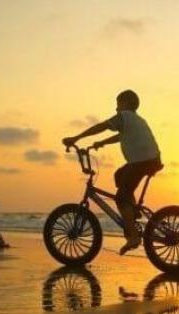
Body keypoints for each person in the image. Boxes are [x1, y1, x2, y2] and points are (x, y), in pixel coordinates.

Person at [62, 90, 162, 255]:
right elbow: (121, 136)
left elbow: (101, 126)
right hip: (150, 159)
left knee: (121, 197)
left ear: (126, 103)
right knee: (119, 175)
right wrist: (102, 143)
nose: (116, 108)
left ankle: (133, 236)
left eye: (118, 104)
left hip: (141, 162)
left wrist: (76, 138)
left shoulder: (124, 116)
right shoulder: (136, 120)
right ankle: (132, 212)